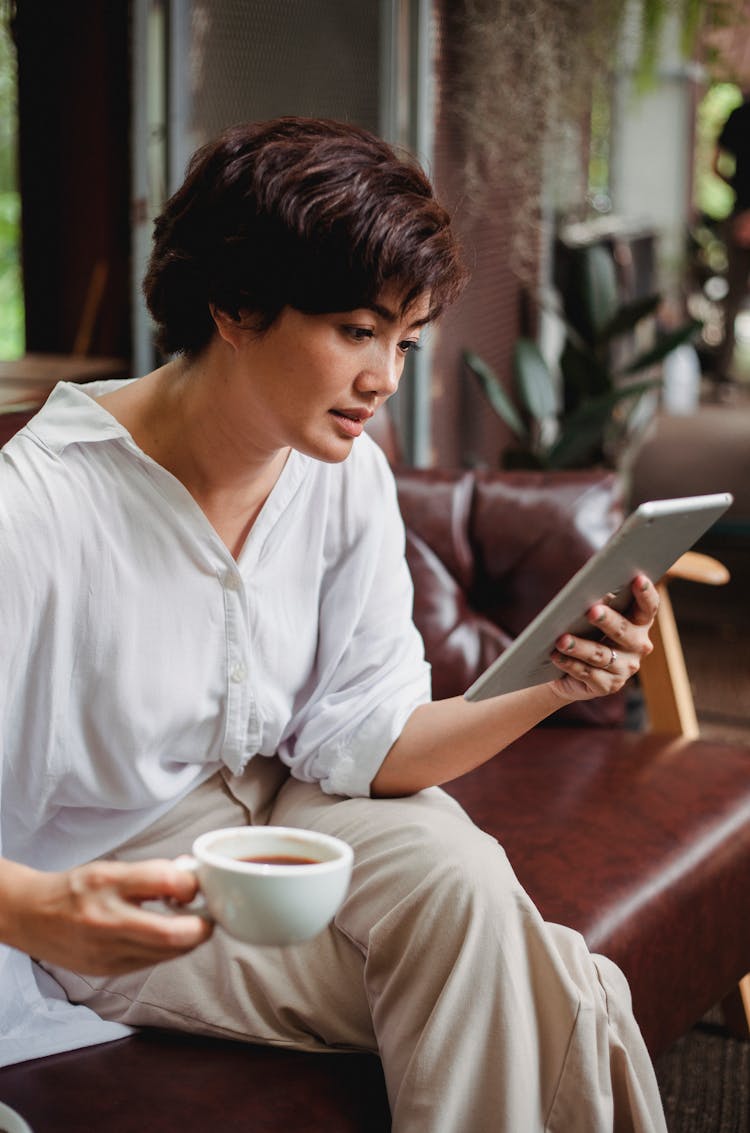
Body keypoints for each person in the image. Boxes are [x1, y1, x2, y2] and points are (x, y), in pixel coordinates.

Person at [0, 117, 667, 1131]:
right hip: (132, 876)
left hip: (293, 802)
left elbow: (372, 739)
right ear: (236, 303)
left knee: (462, 879)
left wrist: (557, 682)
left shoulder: (347, 472)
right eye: (357, 331)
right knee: (557, 984)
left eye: (404, 340)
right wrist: (36, 911)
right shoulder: (35, 513)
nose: (386, 378)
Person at [712, 92, 750, 384]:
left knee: (733, 297)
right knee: (733, 296)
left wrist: (737, 193)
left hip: (739, 214)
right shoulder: (739, 115)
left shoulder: (738, 114)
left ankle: (723, 375)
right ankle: (723, 374)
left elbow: (715, 165)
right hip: (741, 218)